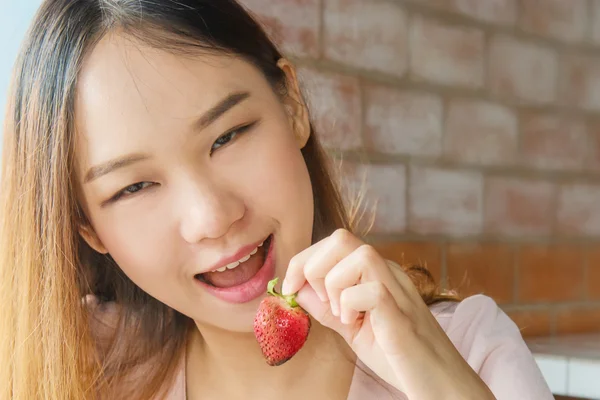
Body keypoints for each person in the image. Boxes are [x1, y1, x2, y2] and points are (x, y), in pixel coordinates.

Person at [0, 0, 554, 399]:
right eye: (134, 186)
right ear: (86, 226)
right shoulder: (77, 368)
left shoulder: (472, 349)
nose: (212, 218)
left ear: (291, 104)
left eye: (227, 136)